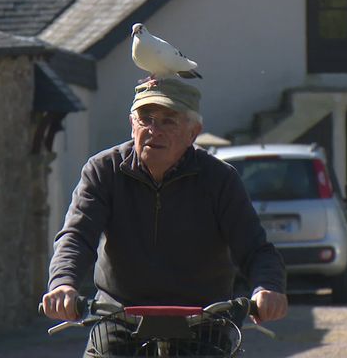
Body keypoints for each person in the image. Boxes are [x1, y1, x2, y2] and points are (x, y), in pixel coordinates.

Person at [42, 79, 288, 354]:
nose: (153, 130)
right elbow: (77, 235)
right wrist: (63, 283)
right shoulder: (103, 171)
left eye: (168, 121)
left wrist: (267, 288)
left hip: (204, 320)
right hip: (119, 316)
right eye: (145, 119)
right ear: (131, 124)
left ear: (193, 132)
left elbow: (256, 248)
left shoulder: (220, 179)